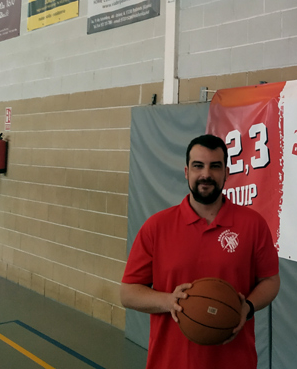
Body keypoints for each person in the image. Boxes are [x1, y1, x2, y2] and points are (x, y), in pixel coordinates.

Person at [120, 134, 280, 369]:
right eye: (198, 166)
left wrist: (247, 308)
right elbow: (128, 293)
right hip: (170, 362)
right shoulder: (156, 227)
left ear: (226, 172)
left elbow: (270, 281)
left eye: (215, 166)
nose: (206, 174)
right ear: (187, 172)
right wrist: (169, 301)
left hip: (235, 362)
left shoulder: (253, 224)